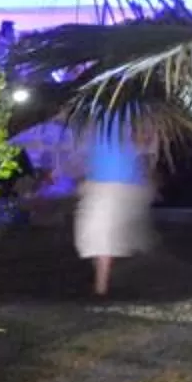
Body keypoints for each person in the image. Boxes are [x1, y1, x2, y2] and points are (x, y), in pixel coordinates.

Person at [68, 109, 152, 297]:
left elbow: (144, 138)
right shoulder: (95, 111)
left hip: (116, 184)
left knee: (102, 240)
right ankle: (103, 280)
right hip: (101, 183)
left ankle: (100, 288)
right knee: (91, 239)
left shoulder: (129, 109)